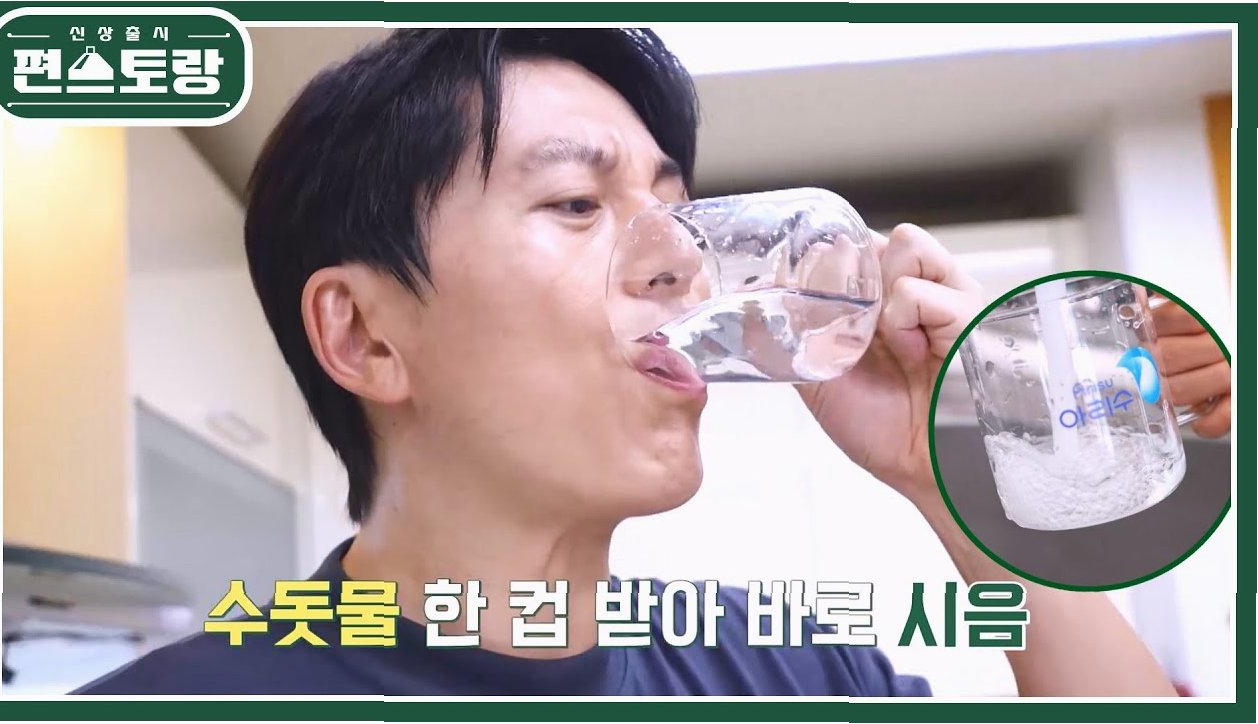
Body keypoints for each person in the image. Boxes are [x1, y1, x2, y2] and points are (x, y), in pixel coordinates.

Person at [75, 28, 1217, 696]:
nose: (679, 261)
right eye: (576, 202)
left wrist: (956, 475)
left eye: (673, 210)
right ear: (365, 336)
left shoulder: (791, 670)